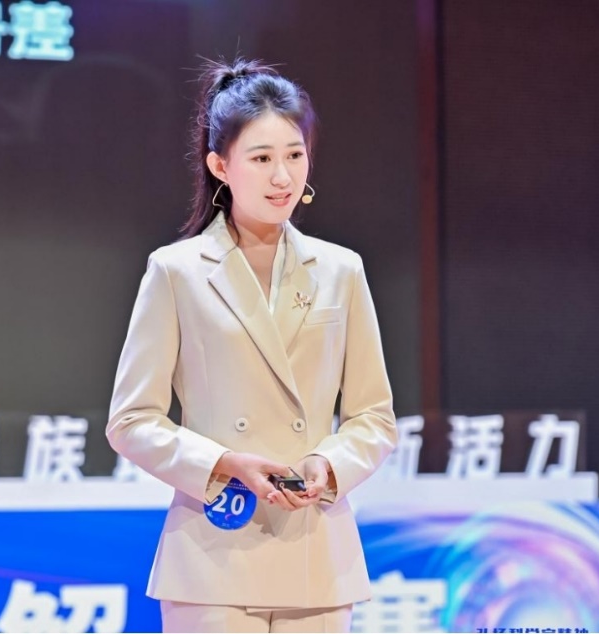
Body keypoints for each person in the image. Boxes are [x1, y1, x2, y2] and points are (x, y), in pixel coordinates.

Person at [106, 57, 398, 633]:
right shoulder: (176, 271)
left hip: (315, 555)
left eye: (294, 155)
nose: (282, 177)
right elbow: (131, 421)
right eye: (262, 159)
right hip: (215, 550)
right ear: (220, 165)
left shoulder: (342, 270)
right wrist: (223, 464)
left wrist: (327, 464)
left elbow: (374, 417)